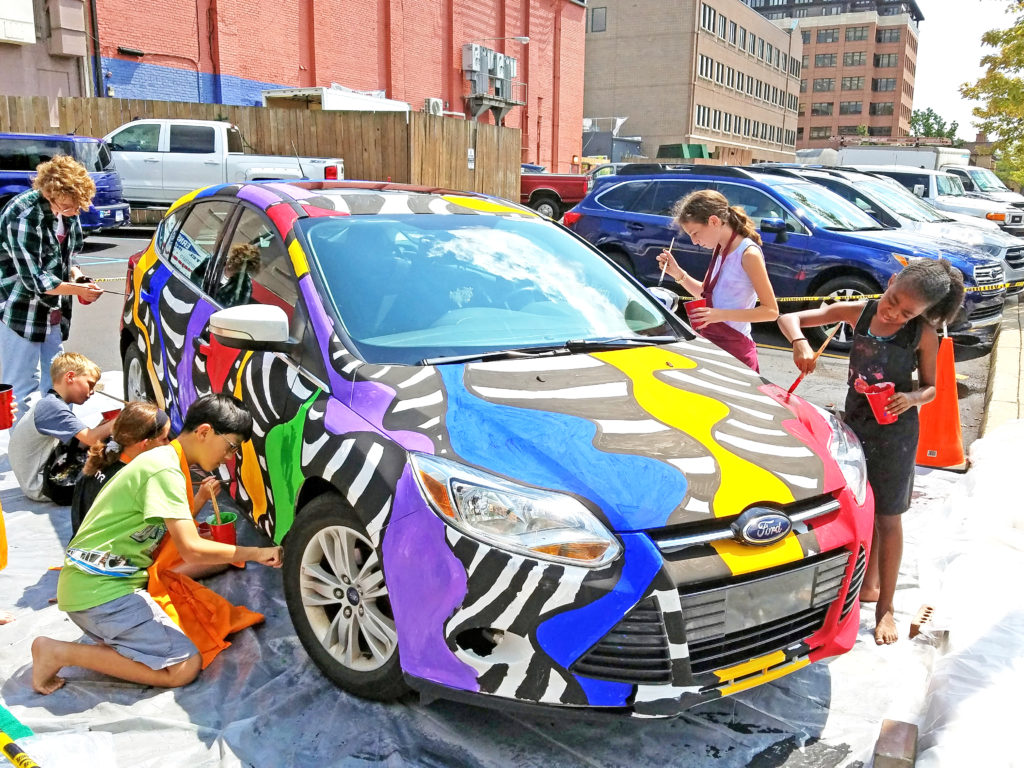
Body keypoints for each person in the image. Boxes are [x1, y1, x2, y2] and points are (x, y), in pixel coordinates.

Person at [31, 394, 282, 695]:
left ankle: (113, 638)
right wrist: (255, 553)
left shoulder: (165, 461)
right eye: (230, 447)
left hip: (100, 586)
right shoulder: (166, 469)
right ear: (204, 432)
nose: (230, 457)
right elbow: (191, 549)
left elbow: (171, 535)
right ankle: (57, 652)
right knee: (184, 665)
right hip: (99, 594)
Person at [777, 258, 965, 645]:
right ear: (891, 281)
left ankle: (885, 608)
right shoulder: (857, 311)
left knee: (888, 517)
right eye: (893, 299)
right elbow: (790, 319)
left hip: (896, 434)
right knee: (848, 506)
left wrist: (909, 398)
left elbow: (931, 388)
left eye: (907, 311)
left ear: (924, 313)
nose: (893, 312)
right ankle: (858, 583)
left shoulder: (923, 334)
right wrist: (800, 344)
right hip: (853, 426)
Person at [0, 155, 104, 419]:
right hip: (19, 308)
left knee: (59, 382)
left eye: (77, 208)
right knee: (20, 387)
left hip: (51, 310)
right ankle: (22, 455)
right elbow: (35, 280)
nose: (73, 213)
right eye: (68, 207)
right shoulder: (23, 215)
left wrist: (78, 277)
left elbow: (68, 257)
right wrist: (78, 290)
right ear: (49, 192)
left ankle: (56, 444)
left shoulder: (68, 212)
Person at [656, 189, 779, 371]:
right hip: (714, 346)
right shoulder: (720, 248)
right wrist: (678, 274)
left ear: (714, 221)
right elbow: (706, 293)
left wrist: (719, 315)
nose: (694, 242)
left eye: (695, 233)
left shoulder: (748, 253)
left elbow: (770, 311)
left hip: (736, 353)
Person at [8, 353, 113, 504]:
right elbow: (90, 438)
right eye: (90, 384)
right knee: (113, 455)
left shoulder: (51, 402)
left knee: (104, 441)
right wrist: (118, 422)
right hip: (42, 485)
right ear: (70, 377)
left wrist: (103, 427)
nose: (92, 391)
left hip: (41, 475)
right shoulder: (52, 407)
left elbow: (82, 441)